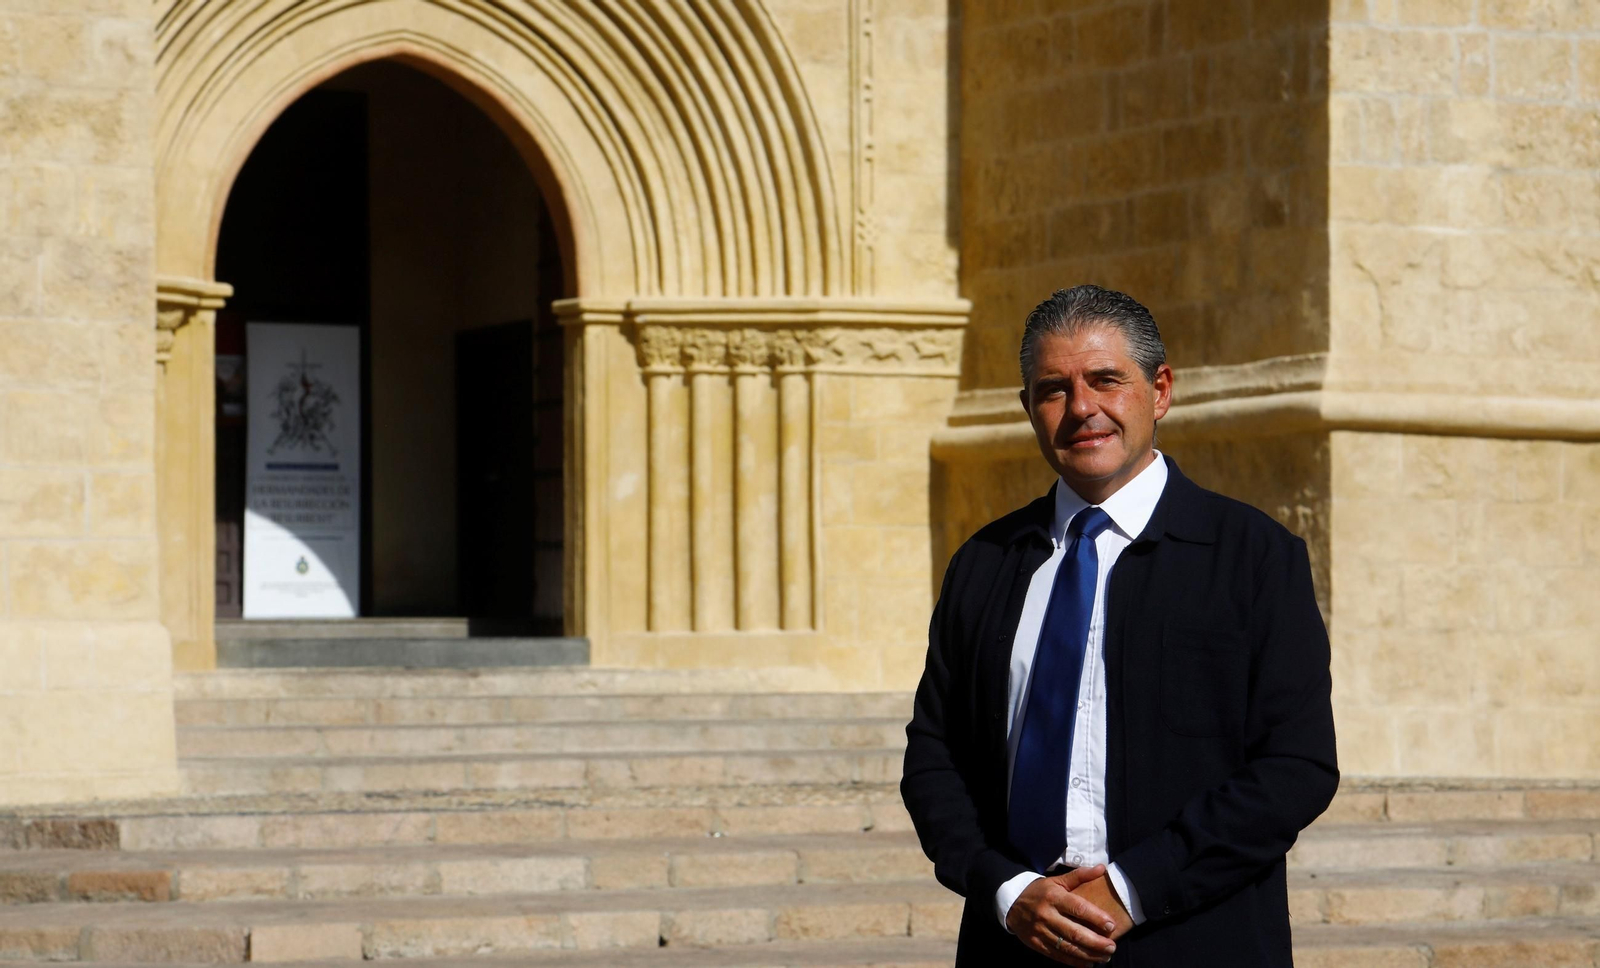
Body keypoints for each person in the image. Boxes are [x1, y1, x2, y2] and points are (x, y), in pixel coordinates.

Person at [902, 285, 1338, 966]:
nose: (1082, 409)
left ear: (1159, 391)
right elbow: (935, 759)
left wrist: (1133, 890)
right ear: (1027, 409)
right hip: (1017, 945)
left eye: (1106, 380)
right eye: (1053, 389)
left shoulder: (1254, 558)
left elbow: (1296, 765)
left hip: (1195, 941)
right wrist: (1009, 890)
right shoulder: (985, 565)